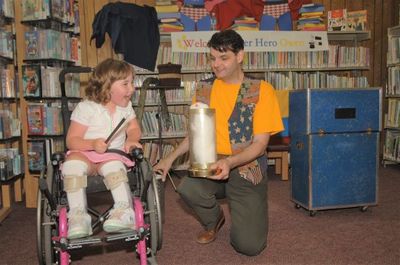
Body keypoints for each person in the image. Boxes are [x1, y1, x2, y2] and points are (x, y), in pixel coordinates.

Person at [154, 29, 284, 256]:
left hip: (246, 167)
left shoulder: (261, 90)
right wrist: (169, 159)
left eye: (224, 58)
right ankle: (214, 220)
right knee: (187, 188)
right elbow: (195, 133)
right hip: (211, 164)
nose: (216, 64)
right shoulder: (204, 88)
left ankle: (246, 216)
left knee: (249, 246)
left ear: (240, 56)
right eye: (212, 58)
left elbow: (260, 145)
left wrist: (231, 162)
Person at [62, 58, 142, 239]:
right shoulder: (86, 108)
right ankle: (78, 216)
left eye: (132, 82)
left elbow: (134, 128)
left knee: (114, 167)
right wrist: (92, 144)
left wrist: (131, 140)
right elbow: (72, 140)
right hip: (85, 154)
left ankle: (124, 211)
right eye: (126, 84)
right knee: (71, 166)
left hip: (112, 155)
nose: (132, 88)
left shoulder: (126, 108)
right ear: (107, 87)